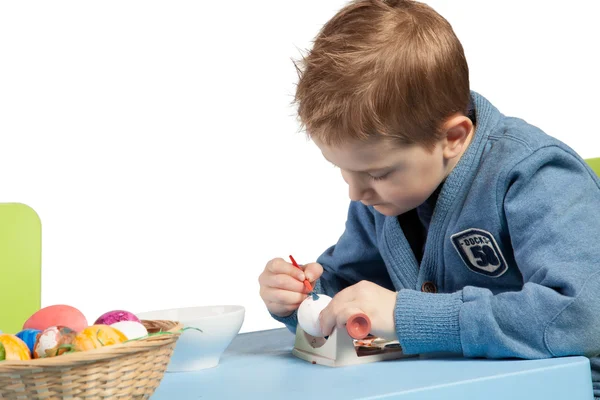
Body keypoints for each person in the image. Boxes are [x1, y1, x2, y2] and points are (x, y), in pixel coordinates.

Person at [257, 0, 600, 396]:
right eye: (343, 170)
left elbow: (583, 317)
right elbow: (356, 290)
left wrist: (408, 317)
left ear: (452, 138)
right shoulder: (385, 199)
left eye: (377, 173)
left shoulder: (536, 175)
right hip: (453, 385)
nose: (356, 192)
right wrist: (304, 301)